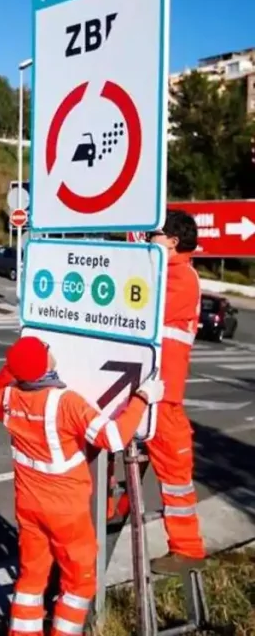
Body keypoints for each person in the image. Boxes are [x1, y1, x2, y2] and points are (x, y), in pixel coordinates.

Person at [0, 336, 164, 636]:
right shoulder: (66, 403)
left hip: (28, 506)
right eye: (46, 349)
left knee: (31, 578)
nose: (51, 349)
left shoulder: (8, 398)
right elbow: (114, 438)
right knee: (79, 582)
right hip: (66, 511)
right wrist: (143, 397)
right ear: (43, 365)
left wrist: (12, 366)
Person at [146, 210, 206, 573]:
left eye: (153, 235)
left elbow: (143, 310)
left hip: (164, 394)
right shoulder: (166, 272)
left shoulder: (181, 277)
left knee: (175, 475)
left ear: (172, 240)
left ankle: (187, 549)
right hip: (149, 389)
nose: (148, 240)